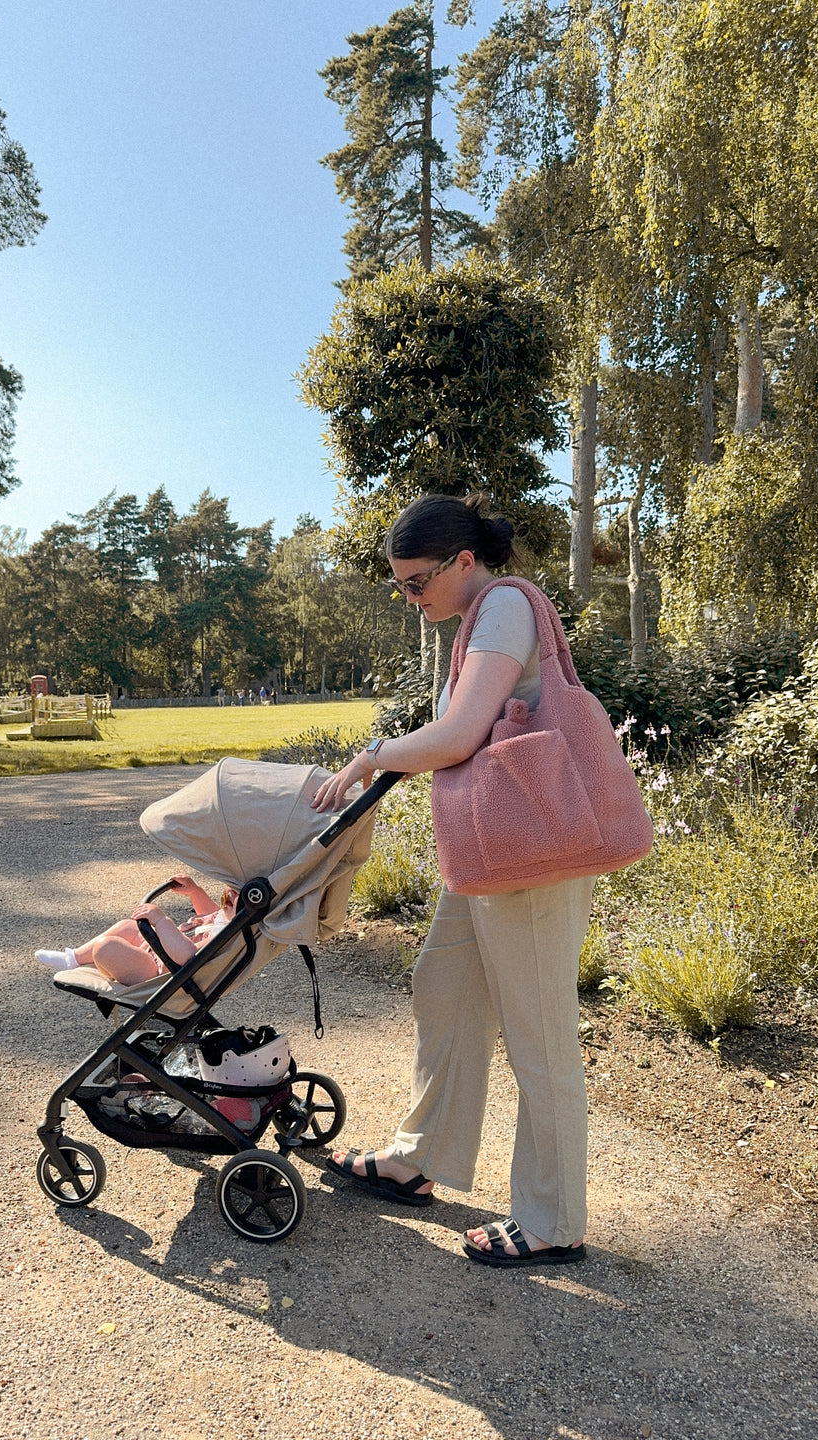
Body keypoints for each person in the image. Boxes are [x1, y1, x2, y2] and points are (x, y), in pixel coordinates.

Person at [311, 492, 595, 1269]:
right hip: (489, 854)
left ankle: (552, 1219)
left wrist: (374, 754)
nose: (411, 598)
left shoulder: (502, 606)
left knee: (538, 1034)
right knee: (445, 986)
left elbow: (463, 734)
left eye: (417, 582)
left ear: (465, 561)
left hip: (528, 857)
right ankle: (419, 1156)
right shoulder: (473, 621)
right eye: (399, 585)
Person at [35, 875, 238, 986]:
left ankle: (109, 962)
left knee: (106, 948)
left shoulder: (225, 936)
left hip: (157, 972)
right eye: (231, 889)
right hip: (156, 953)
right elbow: (208, 914)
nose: (228, 894)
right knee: (128, 926)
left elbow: (187, 956)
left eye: (235, 896)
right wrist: (195, 891)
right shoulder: (226, 920)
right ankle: (74, 959)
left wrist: (160, 920)